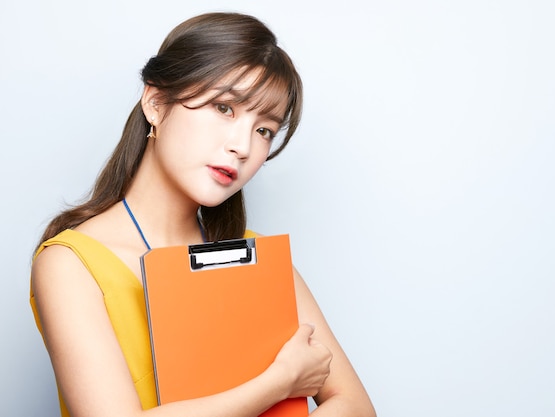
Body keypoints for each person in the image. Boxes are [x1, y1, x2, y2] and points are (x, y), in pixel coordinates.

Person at [29, 11, 376, 417]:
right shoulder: (71, 264)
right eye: (225, 108)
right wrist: (278, 382)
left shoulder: (259, 259)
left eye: (264, 129)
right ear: (156, 103)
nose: (243, 146)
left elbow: (355, 407)